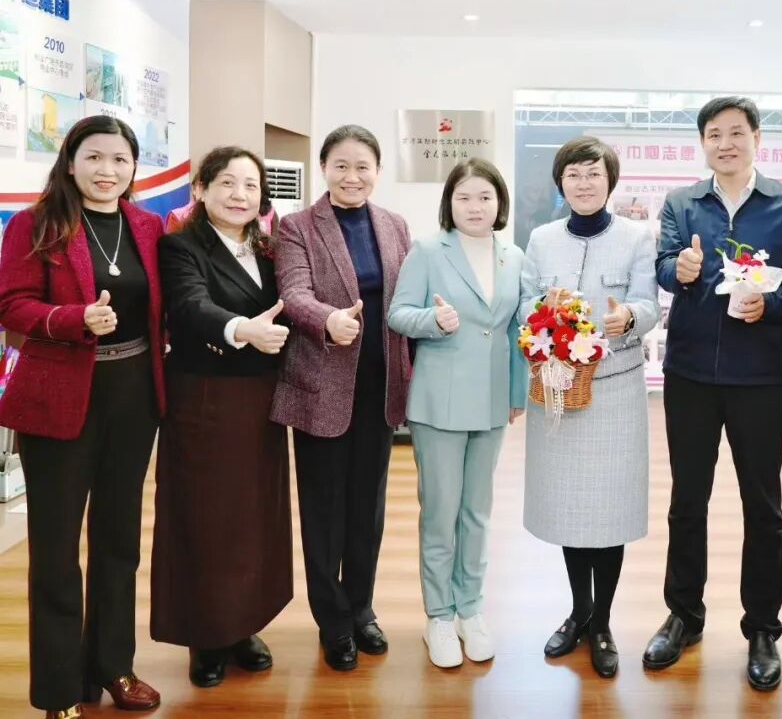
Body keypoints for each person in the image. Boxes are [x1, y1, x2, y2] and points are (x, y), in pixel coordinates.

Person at [646, 96, 782, 690]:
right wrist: (679, 271)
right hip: (690, 374)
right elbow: (664, 265)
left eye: (736, 133)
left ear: (756, 139)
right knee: (687, 499)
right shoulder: (682, 202)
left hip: (759, 377)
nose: (725, 143)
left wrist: (771, 304)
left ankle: (763, 627)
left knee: (763, 506)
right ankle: (684, 614)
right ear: (703, 144)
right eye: (714, 134)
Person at [0, 116, 165, 717]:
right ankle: (59, 689)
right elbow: (11, 306)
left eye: (120, 159)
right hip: (58, 399)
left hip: (133, 400)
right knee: (55, 551)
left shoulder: (147, 226)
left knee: (119, 542)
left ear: (133, 166)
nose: (107, 171)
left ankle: (113, 665)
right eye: (94, 157)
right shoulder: (36, 223)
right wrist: (75, 319)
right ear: (69, 162)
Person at [272, 125, 412, 671]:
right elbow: (293, 293)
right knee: (324, 509)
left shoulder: (395, 225)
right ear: (324, 168)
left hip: (381, 385)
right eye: (341, 166)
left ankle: (361, 608)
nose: (352, 177)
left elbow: (409, 296)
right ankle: (332, 621)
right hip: (322, 384)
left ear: (377, 171)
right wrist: (329, 319)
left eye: (363, 167)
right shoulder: (297, 226)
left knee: (367, 509)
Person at [151, 146, 292, 688]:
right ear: (201, 190)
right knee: (203, 517)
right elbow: (190, 307)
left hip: (261, 401)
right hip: (204, 399)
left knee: (252, 517)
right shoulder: (180, 246)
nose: (240, 195)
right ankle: (205, 636)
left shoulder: (270, 248)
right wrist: (243, 330)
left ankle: (243, 625)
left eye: (251, 185)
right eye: (227, 183)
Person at [520, 136, 660, 678]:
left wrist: (629, 318)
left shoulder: (635, 237)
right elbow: (526, 302)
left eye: (593, 174)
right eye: (574, 174)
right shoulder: (542, 239)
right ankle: (579, 611)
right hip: (559, 389)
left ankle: (602, 622)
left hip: (616, 390)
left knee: (610, 510)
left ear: (610, 181)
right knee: (570, 508)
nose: (584, 183)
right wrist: (542, 311)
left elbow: (649, 304)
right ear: (561, 182)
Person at [388, 158, 526, 668]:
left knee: (477, 513)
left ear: (499, 203)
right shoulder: (428, 250)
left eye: (485, 197)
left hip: (491, 402)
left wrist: (516, 393)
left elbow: (517, 329)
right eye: (464, 197)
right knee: (441, 514)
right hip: (439, 402)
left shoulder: (513, 255)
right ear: (449, 202)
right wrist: (433, 320)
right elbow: (398, 314)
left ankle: (471, 609)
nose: (475, 206)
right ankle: (440, 616)